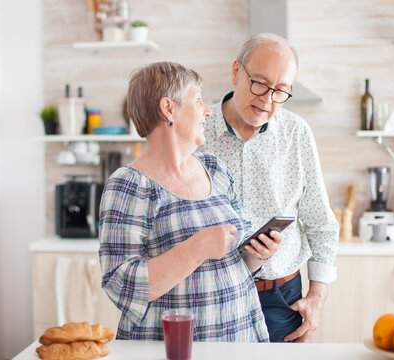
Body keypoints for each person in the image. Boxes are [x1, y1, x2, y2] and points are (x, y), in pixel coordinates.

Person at [98, 61, 282, 342]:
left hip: (241, 337)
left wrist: (258, 253)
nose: (208, 111)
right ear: (168, 108)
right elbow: (121, 286)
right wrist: (197, 248)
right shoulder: (129, 184)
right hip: (172, 348)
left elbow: (238, 262)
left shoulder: (215, 168)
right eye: (198, 100)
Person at [199, 33, 339, 343]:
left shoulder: (296, 133)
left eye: (280, 91)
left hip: (279, 299)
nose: (266, 100)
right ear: (237, 71)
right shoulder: (197, 128)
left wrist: (317, 296)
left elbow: (320, 222)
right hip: (209, 295)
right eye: (259, 83)